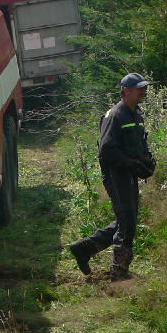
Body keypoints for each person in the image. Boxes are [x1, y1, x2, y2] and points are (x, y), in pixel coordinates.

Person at [68, 73, 156, 281]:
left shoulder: (136, 115)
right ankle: (119, 273)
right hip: (116, 175)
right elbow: (106, 151)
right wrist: (131, 163)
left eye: (144, 88)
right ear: (126, 90)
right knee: (128, 222)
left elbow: (140, 144)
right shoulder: (115, 115)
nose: (143, 91)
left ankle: (84, 249)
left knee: (127, 220)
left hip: (129, 173)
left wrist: (147, 162)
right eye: (139, 88)